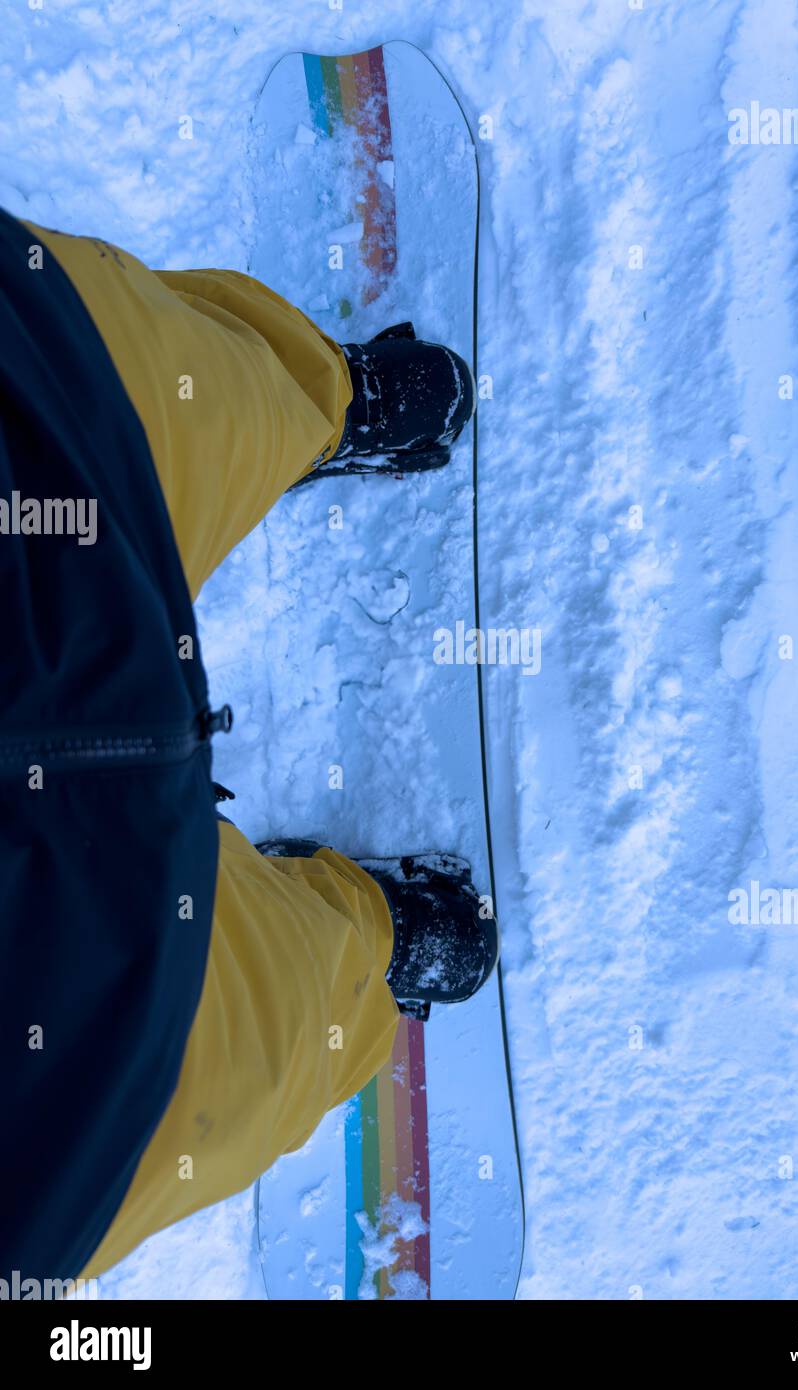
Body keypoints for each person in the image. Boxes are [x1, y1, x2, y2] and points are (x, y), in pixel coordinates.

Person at [0, 209, 497, 1284]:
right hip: (59, 1056)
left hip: (33, 468)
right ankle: (367, 946)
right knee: (259, 1049)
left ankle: (323, 403)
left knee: (186, 383)